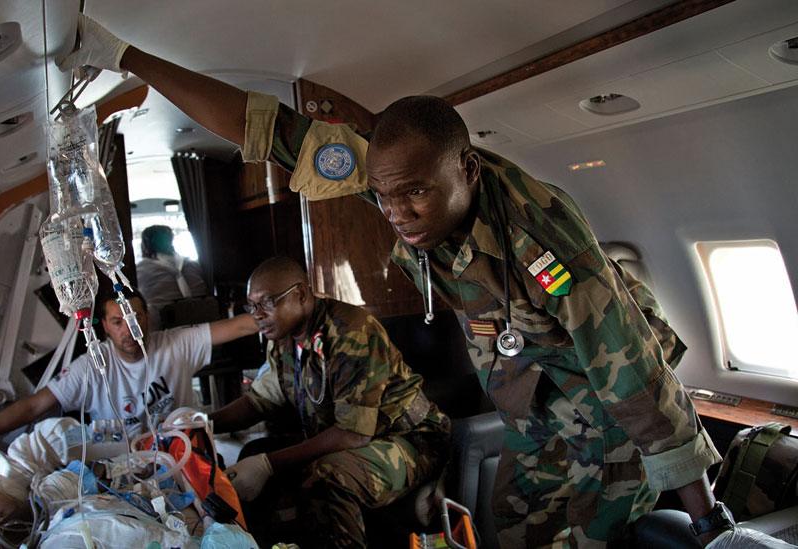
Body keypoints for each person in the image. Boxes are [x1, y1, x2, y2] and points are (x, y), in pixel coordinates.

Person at [59, 16, 783, 547]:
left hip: (606, 422)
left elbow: (624, 357)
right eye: (383, 195)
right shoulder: (391, 166)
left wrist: (706, 513)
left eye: (415, 195)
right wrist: (125, 55)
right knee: (508, 533)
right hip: (532, 417)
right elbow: (269, 130)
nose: (397, 213)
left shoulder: (537, 236)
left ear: (466, 169)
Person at [210, 257, 449, 548]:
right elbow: (260, 401)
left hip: (412, 441)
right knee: (255, 449)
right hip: (357, 438)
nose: (257, 314)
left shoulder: (350, 331)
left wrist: (268, 465)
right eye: (252, 305)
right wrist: (203, 423)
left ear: (300, 294)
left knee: (326, 476)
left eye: (267, 302)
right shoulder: (283, 337)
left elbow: (352, 433)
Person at [0, 288, 257, 460]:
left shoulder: (175, 344)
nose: (130, 329)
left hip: (184, 455)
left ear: (148, 319)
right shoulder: (91, 368)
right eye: (118, 322)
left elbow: (238, 326)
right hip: (124, 465)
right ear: (106, 328)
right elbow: (33, 407)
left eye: (137, 317)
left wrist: (286, 313)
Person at [136, 224, 208, 328]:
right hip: (204, 321)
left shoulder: (140, 270)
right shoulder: (193, 264)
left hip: (164, 328)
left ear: (146, 244)